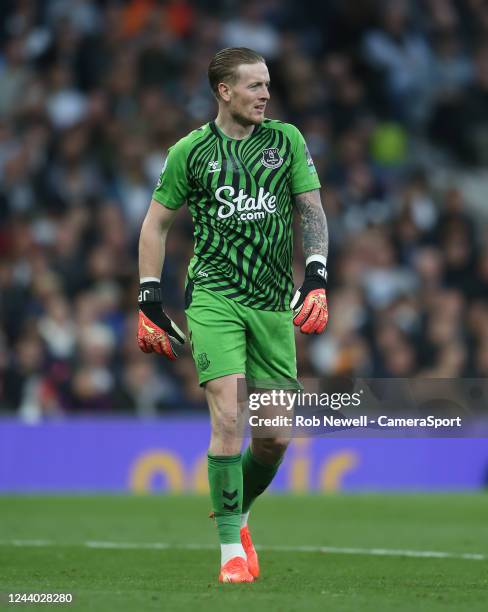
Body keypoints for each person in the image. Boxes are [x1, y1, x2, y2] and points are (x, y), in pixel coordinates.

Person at [137, 47, 329, 583]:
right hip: (214, 299)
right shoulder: (190, 152)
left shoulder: (286, 140)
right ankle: (230, 556)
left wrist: (315, 274)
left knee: (273, 438)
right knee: (228, 416)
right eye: (253, 86)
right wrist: (148, 297)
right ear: (224, 91)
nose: (265, 94)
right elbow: (155, 225)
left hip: (273, 301)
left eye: (267, 84)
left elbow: (310, 208)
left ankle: (237, 512)